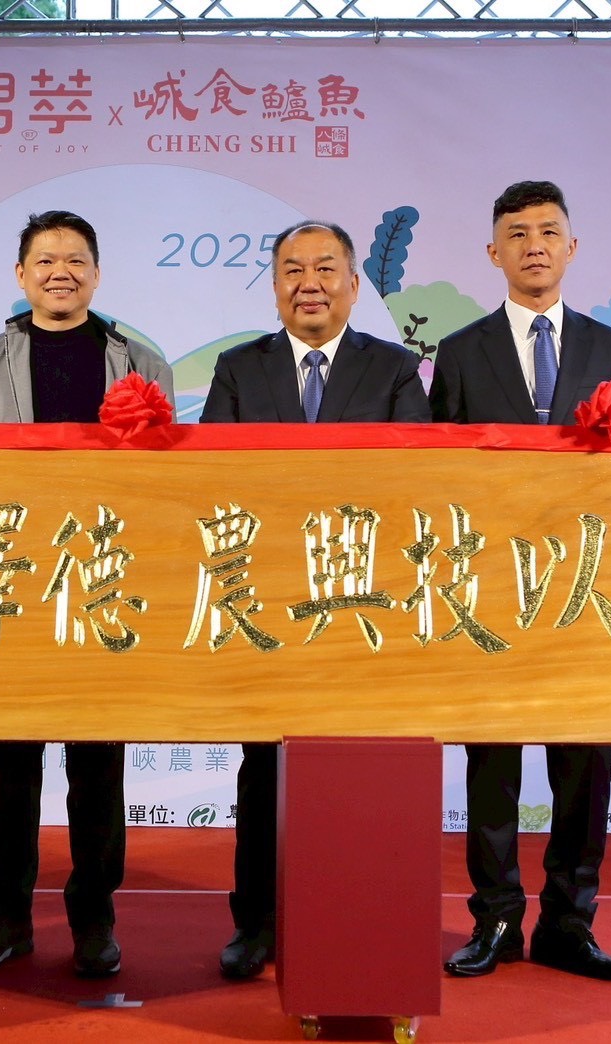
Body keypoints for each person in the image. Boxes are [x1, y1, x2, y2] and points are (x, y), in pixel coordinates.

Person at [199, 220, 430, 979]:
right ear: (274, 287)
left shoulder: (394, 369)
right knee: (262, 766)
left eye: (326, 268)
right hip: (266, 598)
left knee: (355, 767)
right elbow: (215, 481)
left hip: (362, 602)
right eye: (293, 270)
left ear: (354, 285)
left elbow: (411, 480)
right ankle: (256, 922)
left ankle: (345, 915)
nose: (310, 284)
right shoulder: (240, 369)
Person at [0, 210, 174, 978]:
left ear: (97, 274)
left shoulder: (140, 362)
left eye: (76, 260)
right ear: (21, 274)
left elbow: (163, 485)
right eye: (45, 260)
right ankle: (5, 915)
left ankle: (94, 917)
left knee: (97, 764)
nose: (60, 272)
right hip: (10, 580)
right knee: (9, 762)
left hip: (105, 582)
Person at [430, 180, 611, 981]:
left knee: (586, 760)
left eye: (548, 231)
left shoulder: (606, 347)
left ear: (571, 247)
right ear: (494, 253)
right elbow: (440, 473)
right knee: (493, 758)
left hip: (586, 587)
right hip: (491, 585)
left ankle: (569, 924)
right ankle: (495, 920)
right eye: (517, 233)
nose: (534, 246)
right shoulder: (461, 351)